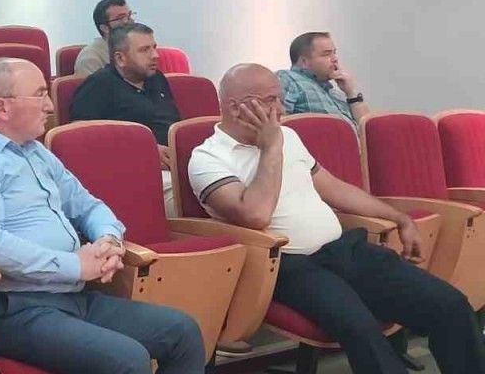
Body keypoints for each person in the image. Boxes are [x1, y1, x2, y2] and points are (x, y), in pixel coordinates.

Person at [190, 64, 485, 374]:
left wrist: (400, 218)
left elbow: (333, 188)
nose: (282, 109)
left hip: (344, 250)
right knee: (362, 329)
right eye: (271, 100)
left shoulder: (288, 136)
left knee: (449, 304)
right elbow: (256, 214)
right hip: (289, 267)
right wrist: (271, 148)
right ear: (236, 107)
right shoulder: (208, 158)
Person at [0, 58, 204, 374]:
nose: (50, 106)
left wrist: (109, 240)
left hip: (72, 294)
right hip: (12, 307)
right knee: (128, 359)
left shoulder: (34, 152)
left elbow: (88, 206)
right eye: (40, 94)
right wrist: (76, 265)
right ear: (3, 107)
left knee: (183, 332)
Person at [70, 23, 180, 213]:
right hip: (135, 171)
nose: (155, 55)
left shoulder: (157, 79)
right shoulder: (99, 85)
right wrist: (144, 150)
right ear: (120, 58)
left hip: (175, 163)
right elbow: (79, 138)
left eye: (154, 47)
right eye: (145, 50)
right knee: (186, 191)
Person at [277, 31, 371, 127]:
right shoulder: (287, 78)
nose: (335, 59)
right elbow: (277, 123)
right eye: (326, 54)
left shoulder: (335, 94)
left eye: (334, 53)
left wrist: (351, 93)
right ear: (304, 62)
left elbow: (368, 128)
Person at [73, 0, 134, 76]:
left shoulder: (136, 48)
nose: (130, 21)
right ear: (105, 28)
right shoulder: (90, 58)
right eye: (121, 18)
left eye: (129, 16)